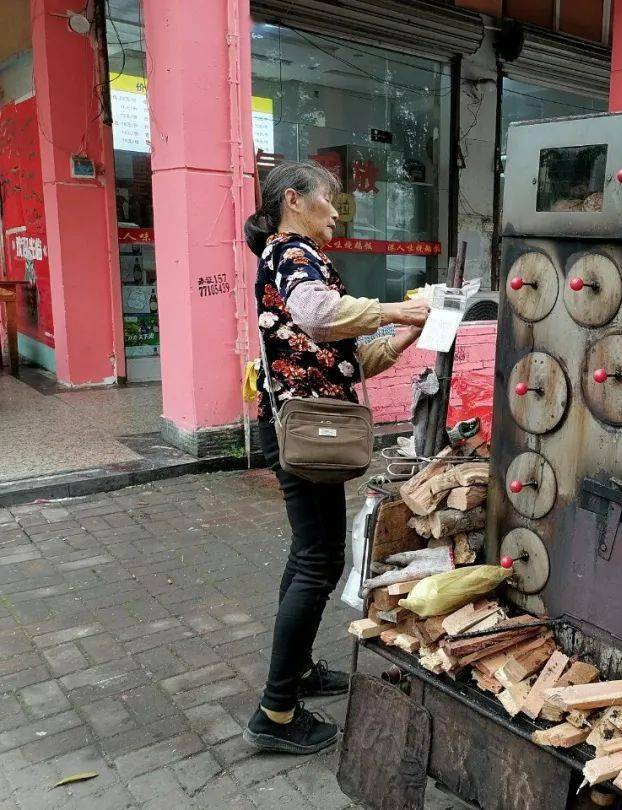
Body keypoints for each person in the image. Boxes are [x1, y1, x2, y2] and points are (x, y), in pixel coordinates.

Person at [241, 161, 430, 755]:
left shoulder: (300, 259)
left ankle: (294, 678)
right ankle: (275, 713)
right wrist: (397, 310)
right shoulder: (292, 252)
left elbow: (346, 360)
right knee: (320, 560)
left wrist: (408, 334)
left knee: (309, 555)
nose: (336, 213)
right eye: (330, 200)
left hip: (307, 423)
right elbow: (319, 318)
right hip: (305, 429)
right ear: (293, 200)